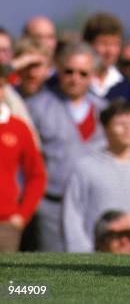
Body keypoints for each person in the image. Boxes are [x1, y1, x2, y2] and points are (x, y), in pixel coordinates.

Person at [26, 42, 107, 251]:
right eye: (68, 71)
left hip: (94, 204)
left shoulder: (105, 111)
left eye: (83, 73)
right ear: (58, 70)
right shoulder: (36, 107)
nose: (75, 78)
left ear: (93, 75)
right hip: (52, 205)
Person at [63, 101, 130, 252]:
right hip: (95, 253)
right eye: (120, 123)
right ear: (105, 128)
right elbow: (72, 215)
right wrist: (81, 252)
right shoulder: (85, 168)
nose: (127, 128)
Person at [0, 65, 46, 252]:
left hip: (5, 225)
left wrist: (22, 216)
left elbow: (37, 175)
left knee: (6, 280)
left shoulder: (18, 128)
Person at [83, 12, 130, 103]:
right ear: (89, 44)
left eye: (115, 44)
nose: (110, 51)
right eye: (104, 43)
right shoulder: (76, 81)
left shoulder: (127, 87)